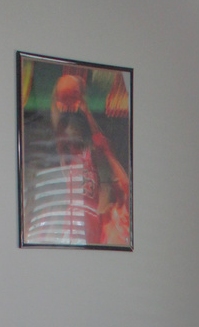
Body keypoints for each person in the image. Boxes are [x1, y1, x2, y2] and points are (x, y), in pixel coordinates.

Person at [23, 71, 130, 247]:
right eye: (63, 99)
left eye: (74, 97)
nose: (69, 104)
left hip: (92, 214)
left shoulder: (92, 142)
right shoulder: (57, 146)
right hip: (74, 217)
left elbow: (103, 150)